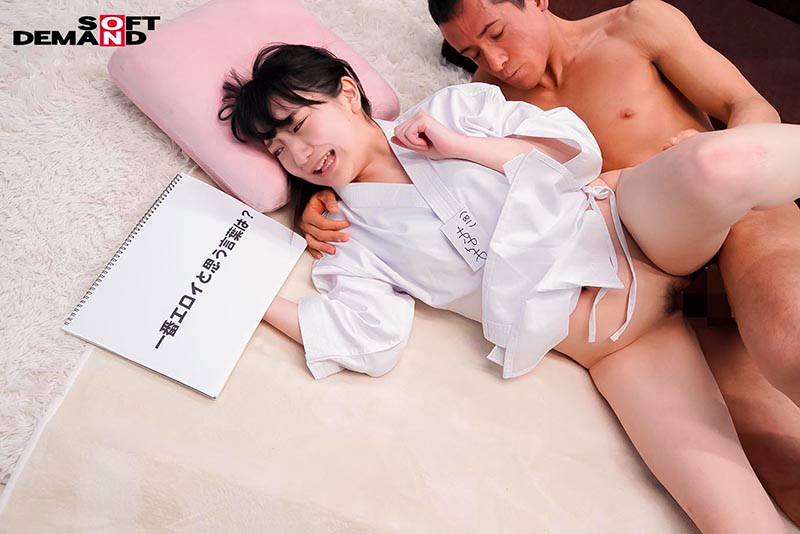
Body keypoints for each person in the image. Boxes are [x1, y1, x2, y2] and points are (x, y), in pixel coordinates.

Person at [218, 43, 800, 533]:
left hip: (632, 225)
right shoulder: (347, 236)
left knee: (717, 165)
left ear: (348, 92)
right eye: (278, 150)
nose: (298, 154)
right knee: (738, 524)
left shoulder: (455, 109)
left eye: (298, 126)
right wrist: (250, 297)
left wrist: (463, 146)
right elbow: (368, 338)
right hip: (622, 345)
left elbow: (578, 155)